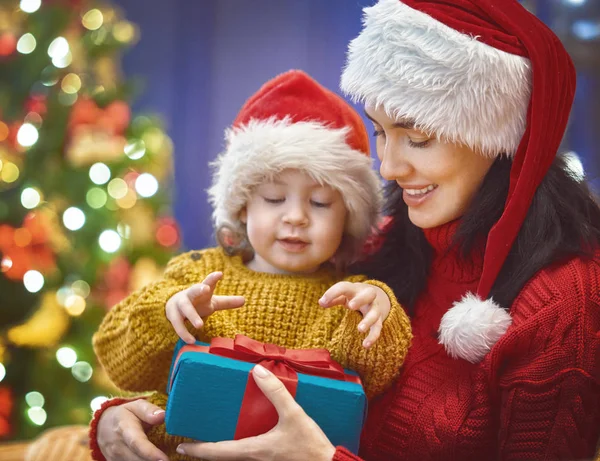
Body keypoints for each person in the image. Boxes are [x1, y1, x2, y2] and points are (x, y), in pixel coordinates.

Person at [89, 1, 600, 460]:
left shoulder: (562, 303)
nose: (390, 165)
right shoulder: (378, 248)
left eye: (417, 138)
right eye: (379, 131)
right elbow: (164, 366)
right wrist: (120, 421)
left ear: (498, 136)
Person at [90, 69, 412, 461]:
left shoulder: (348, 297)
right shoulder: (196, 274)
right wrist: (166, 312)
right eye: (275, 198)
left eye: (321, 203)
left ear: (348, 219)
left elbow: (375, 374)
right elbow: (119, 360)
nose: (296, 217)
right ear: (242, 208)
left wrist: (379, 312)